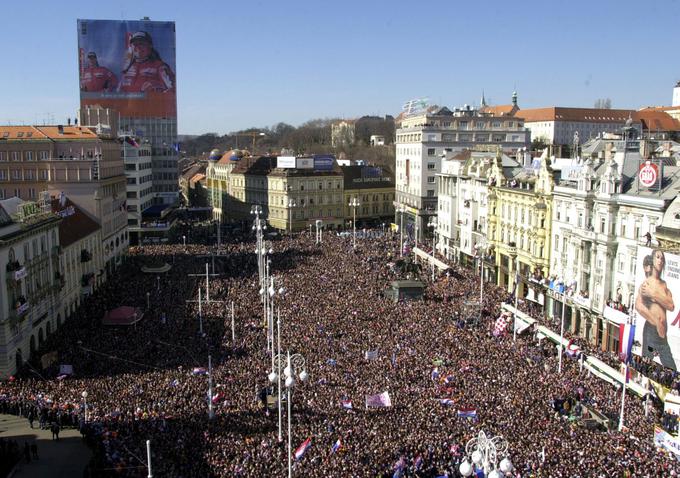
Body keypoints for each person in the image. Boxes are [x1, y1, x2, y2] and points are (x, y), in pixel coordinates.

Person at [636, 250, 676, 369]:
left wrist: (654, 294)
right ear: (653, 260)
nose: (660, 260)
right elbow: (638, 305)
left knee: (671, 367)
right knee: (646, 363)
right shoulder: (646, 283)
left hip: (663, 336)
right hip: (651, 332)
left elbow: (671, 306)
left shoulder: (664, 284)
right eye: (658, 257)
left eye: (662, 259)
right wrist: (656, 321)